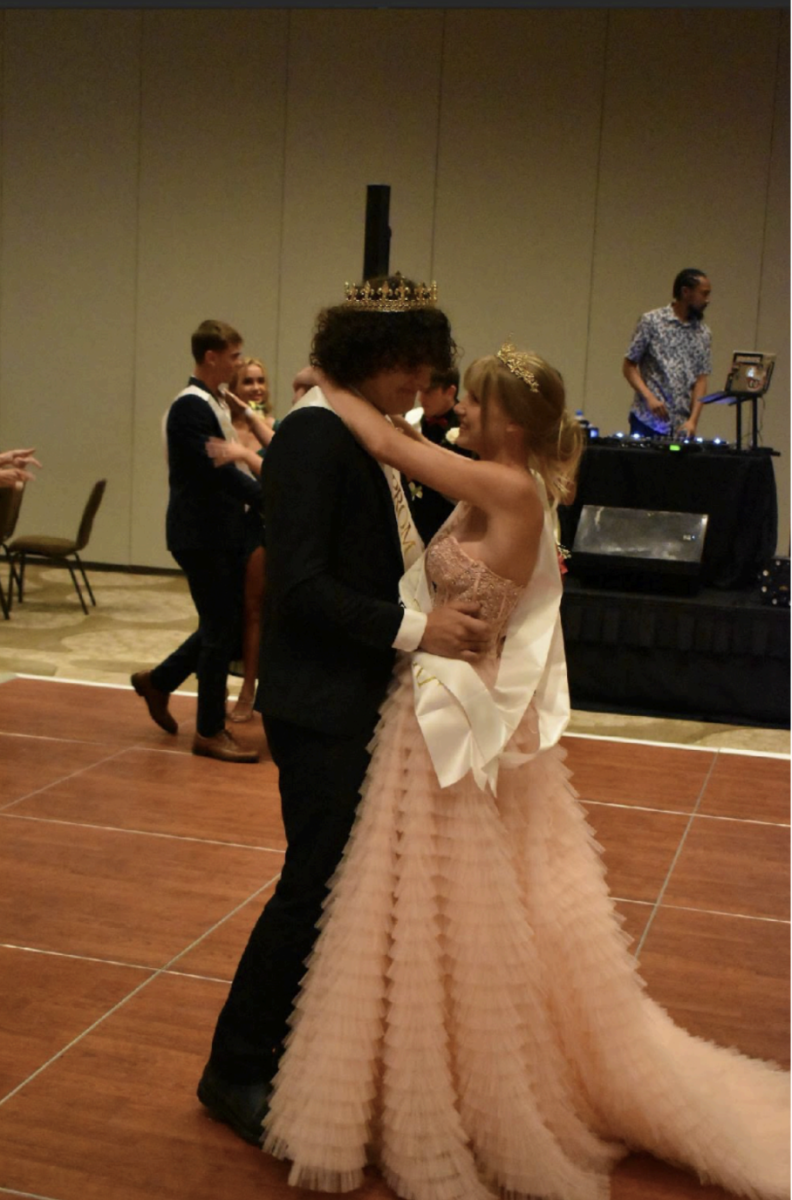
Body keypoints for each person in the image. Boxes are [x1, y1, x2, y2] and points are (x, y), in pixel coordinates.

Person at [261, 342, 789, 1200]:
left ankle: (449, 1090)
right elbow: (409, 444)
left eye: (469, 401)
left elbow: (396, 448)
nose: (454, 408)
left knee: (438, 907)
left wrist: (328, 384)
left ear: (507, 419)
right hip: (438, 708)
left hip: (450, 721)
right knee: (417, 905)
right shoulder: (506, 480)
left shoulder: (505, 486)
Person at [197, 275, 492, 1139]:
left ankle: (296, 1048)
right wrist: (419, 630)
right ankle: (235, 1067)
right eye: (413, 368)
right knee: (312, 884)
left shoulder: (359, 429)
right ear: (376, 359)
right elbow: (301, 588)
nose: (421, 385)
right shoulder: (314, 439)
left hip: (356, 694)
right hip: (321, 700)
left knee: (340, 885)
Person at [131, 319, 262, 764]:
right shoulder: (191, 406)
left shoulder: (215, 401)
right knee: (221, 630)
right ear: (211, 357)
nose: (239, 363)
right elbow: (220, 474)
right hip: (202, 534)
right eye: (233, 355)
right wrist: (272, 501)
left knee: (220, 624)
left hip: (216, 532)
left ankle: (160, 682)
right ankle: (208, 730)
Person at [214, 357, 275, 724]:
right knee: (220, 610)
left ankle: (249, 689)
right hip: (225, 529)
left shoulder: (274, 428)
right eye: (248, 382)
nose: (255, 388)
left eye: (261, 381)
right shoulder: (222, 430)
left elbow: (280, 480)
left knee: (254, 611)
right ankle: (214, 685)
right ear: (234, 391)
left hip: (260, 529)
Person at [623, 268, 712, 438]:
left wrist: (693, 421)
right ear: (686, 292)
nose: (707, 300)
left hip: (681, 425)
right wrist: (649, 397)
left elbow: (701, 379)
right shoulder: (652, 321)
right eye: (704, 294)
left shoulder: (703, 332)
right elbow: (629, 366)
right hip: (647, 419)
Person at [403, 365, 474, 544]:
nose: (420, 398)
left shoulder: (468, 428)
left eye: (427, 392)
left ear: (450, 392)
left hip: (452, 526)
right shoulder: (413, 419)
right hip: (413, 522)